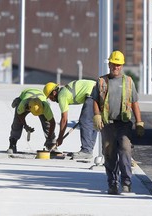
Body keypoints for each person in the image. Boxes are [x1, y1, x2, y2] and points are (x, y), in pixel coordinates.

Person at [92, 50, 144, 195]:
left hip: (124, 124)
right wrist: (96, 115)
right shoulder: (101, 81)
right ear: (109, 64)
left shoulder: (128, 81)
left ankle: (126, 183)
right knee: (109, 153)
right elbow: (95, 100)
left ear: (121, 66)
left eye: (119, 65)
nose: (116, 67)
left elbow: (134, 103)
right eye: (114, 64)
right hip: (107, 124)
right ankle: (112, 184)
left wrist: (139, 122)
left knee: (125, 149)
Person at [43, 79, 97, 159]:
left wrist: (60, 137)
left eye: (50, 97)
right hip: (98, 90)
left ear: (54, 93)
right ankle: (89, 149)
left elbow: (64, 119)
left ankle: (86, 150)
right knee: (93, 121)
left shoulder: (62, 96)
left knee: (85, 121)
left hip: (93, 92)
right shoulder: (65, 92)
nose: (51, 100)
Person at [8, 88, 56, 154]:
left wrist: (49, 138)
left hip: (40, 97)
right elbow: (20, 115)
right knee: (17, 122)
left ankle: (52, 144)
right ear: (29, 108)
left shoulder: (45, 106)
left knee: (47, 123)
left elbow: (52, 123)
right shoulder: (23, 103)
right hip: (25, 95)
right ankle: (12, 143)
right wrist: (25, 126)